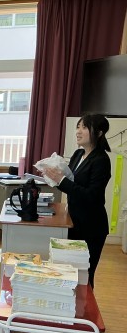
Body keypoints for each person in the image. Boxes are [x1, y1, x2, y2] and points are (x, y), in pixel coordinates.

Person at [42, 113, 112, 288]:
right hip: (73, 221)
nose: (78, 131)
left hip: (91, 226)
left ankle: (84, 305)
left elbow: (91, 196)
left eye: (84, 127)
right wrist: (53, 178)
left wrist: (61, 181)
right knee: (68, 273)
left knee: (84, 276)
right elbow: (71, 186)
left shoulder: (101, 160)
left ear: (99, 133)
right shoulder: (78, 154)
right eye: (78, 127)